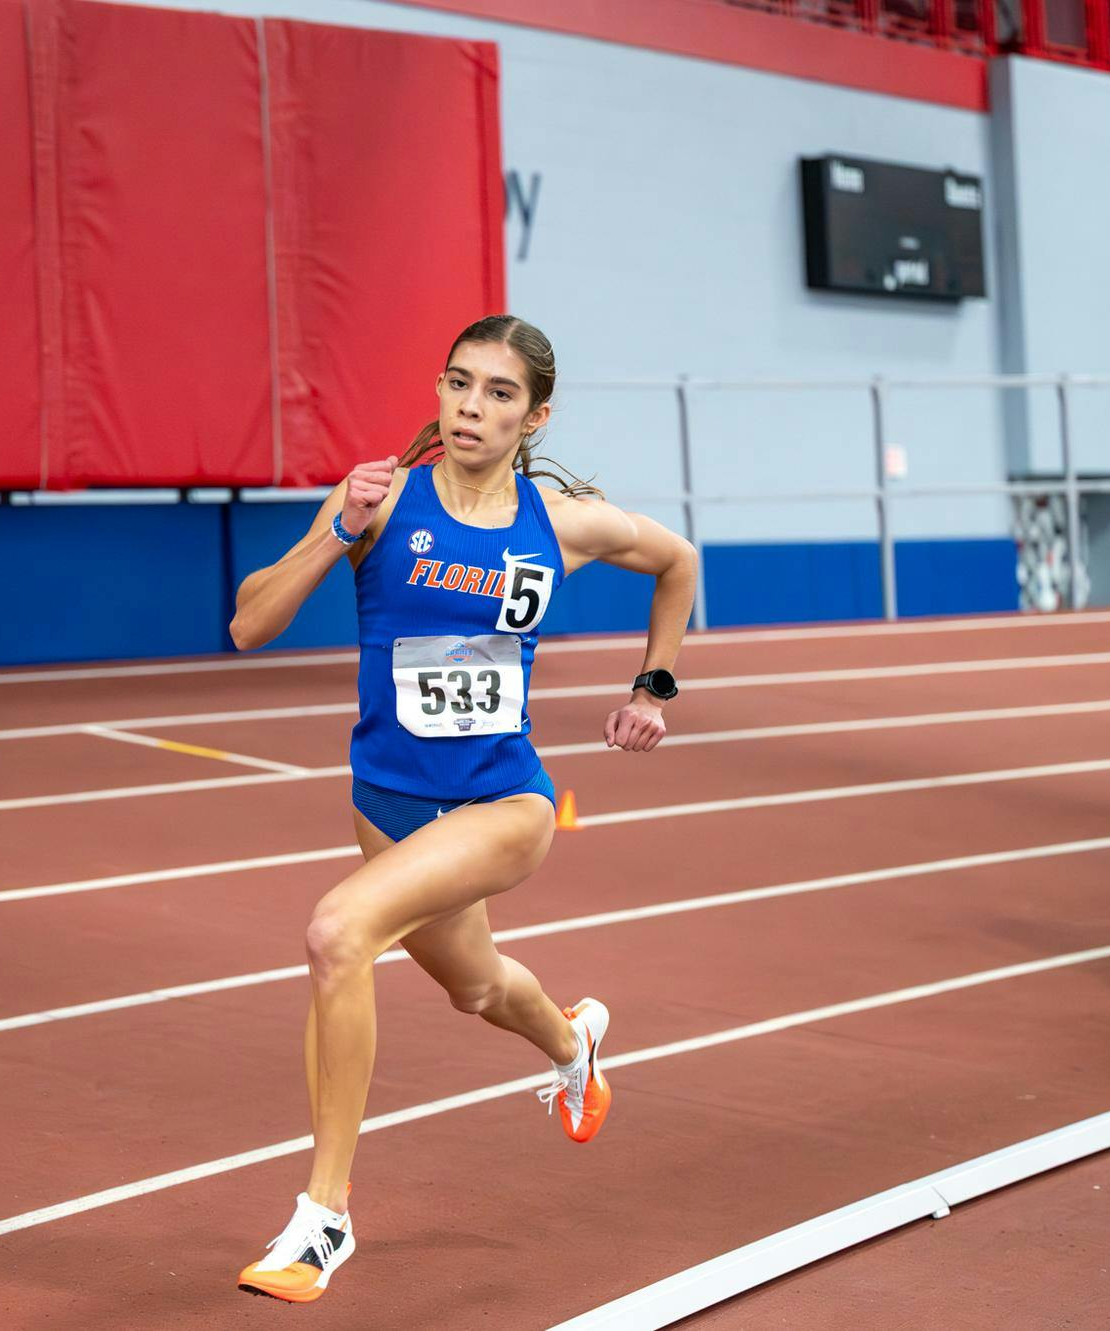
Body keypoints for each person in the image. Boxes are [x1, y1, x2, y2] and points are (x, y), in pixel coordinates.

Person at [226, 315, 698, 1301]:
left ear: (534, 416)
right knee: (475, 986)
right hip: (387, 804)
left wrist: (651, 685)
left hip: (502, 801)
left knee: (335, 933)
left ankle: (323, 1219)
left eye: (495, 392)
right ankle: (575, 1047)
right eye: (456, 384)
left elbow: (677, 560)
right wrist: (336, 534)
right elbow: (248, 623)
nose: (468, 407)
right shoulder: (380, 502)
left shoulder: (559, 522)